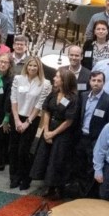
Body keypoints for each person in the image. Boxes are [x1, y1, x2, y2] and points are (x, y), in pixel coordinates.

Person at [32, 71, 79, 199]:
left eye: (57, 76)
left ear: (64, 80)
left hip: (63, 133)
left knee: (57, 160)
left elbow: (69, 121)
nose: (54, 78)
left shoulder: (73, 98)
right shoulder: (54, 93)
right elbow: (46, 110)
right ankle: (49, 186)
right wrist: (46, 130)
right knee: (46, 157)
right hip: (49, 128)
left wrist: (53, 133)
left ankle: (59, 188)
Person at [10, 57, 50, 190]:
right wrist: (16, 120)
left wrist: (27, 122)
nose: (32, 68)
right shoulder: (18, 79)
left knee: (24, 151)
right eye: (30, 65)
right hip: (17, 117)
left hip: (32, 119)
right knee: (14, 149)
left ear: (39, 68)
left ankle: (25, 177)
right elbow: (14, 99)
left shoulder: (44, 83)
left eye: (35, 66)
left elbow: (39, 105)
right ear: (26, 66)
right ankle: (14, 176)